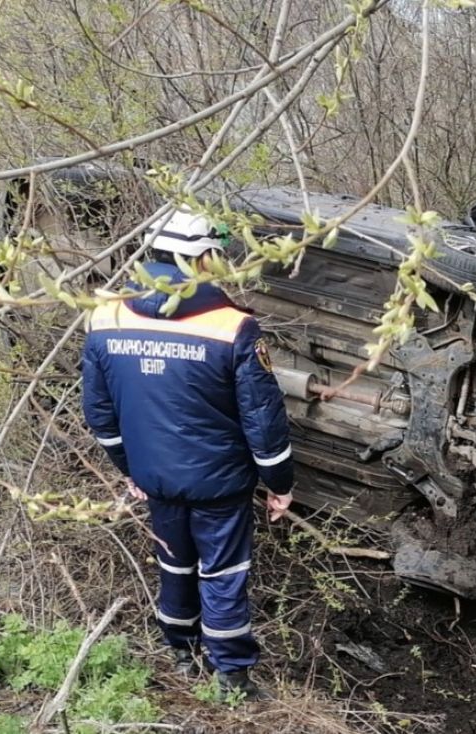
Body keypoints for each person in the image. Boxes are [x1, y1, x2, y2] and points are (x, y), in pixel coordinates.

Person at [82, 208, 293, 701]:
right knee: (222, 574)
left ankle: (182, 653)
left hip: (154, 477)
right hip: (220, 485)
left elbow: (100, 414)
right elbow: (263, 419)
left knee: (174, 564)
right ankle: (231, 677)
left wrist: (130, 470)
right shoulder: (233, 327)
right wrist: (279, 483)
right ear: (201, 259)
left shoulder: (106, 316)